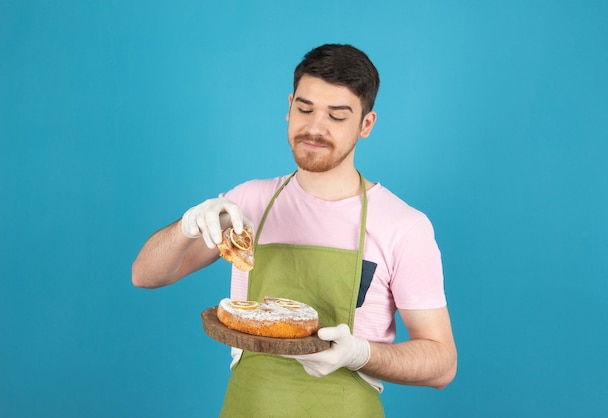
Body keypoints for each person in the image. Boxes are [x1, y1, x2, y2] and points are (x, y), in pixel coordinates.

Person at [132, 43, 457, 417]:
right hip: (248, 406)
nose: (315, 128)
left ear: (366, 124)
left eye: (337, 116)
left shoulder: (404, 226)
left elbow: (441, 362)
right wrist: (188, 225)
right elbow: (145, 275)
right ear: (288, 107)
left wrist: (362, 354)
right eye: (304, 109)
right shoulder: (247, 203)